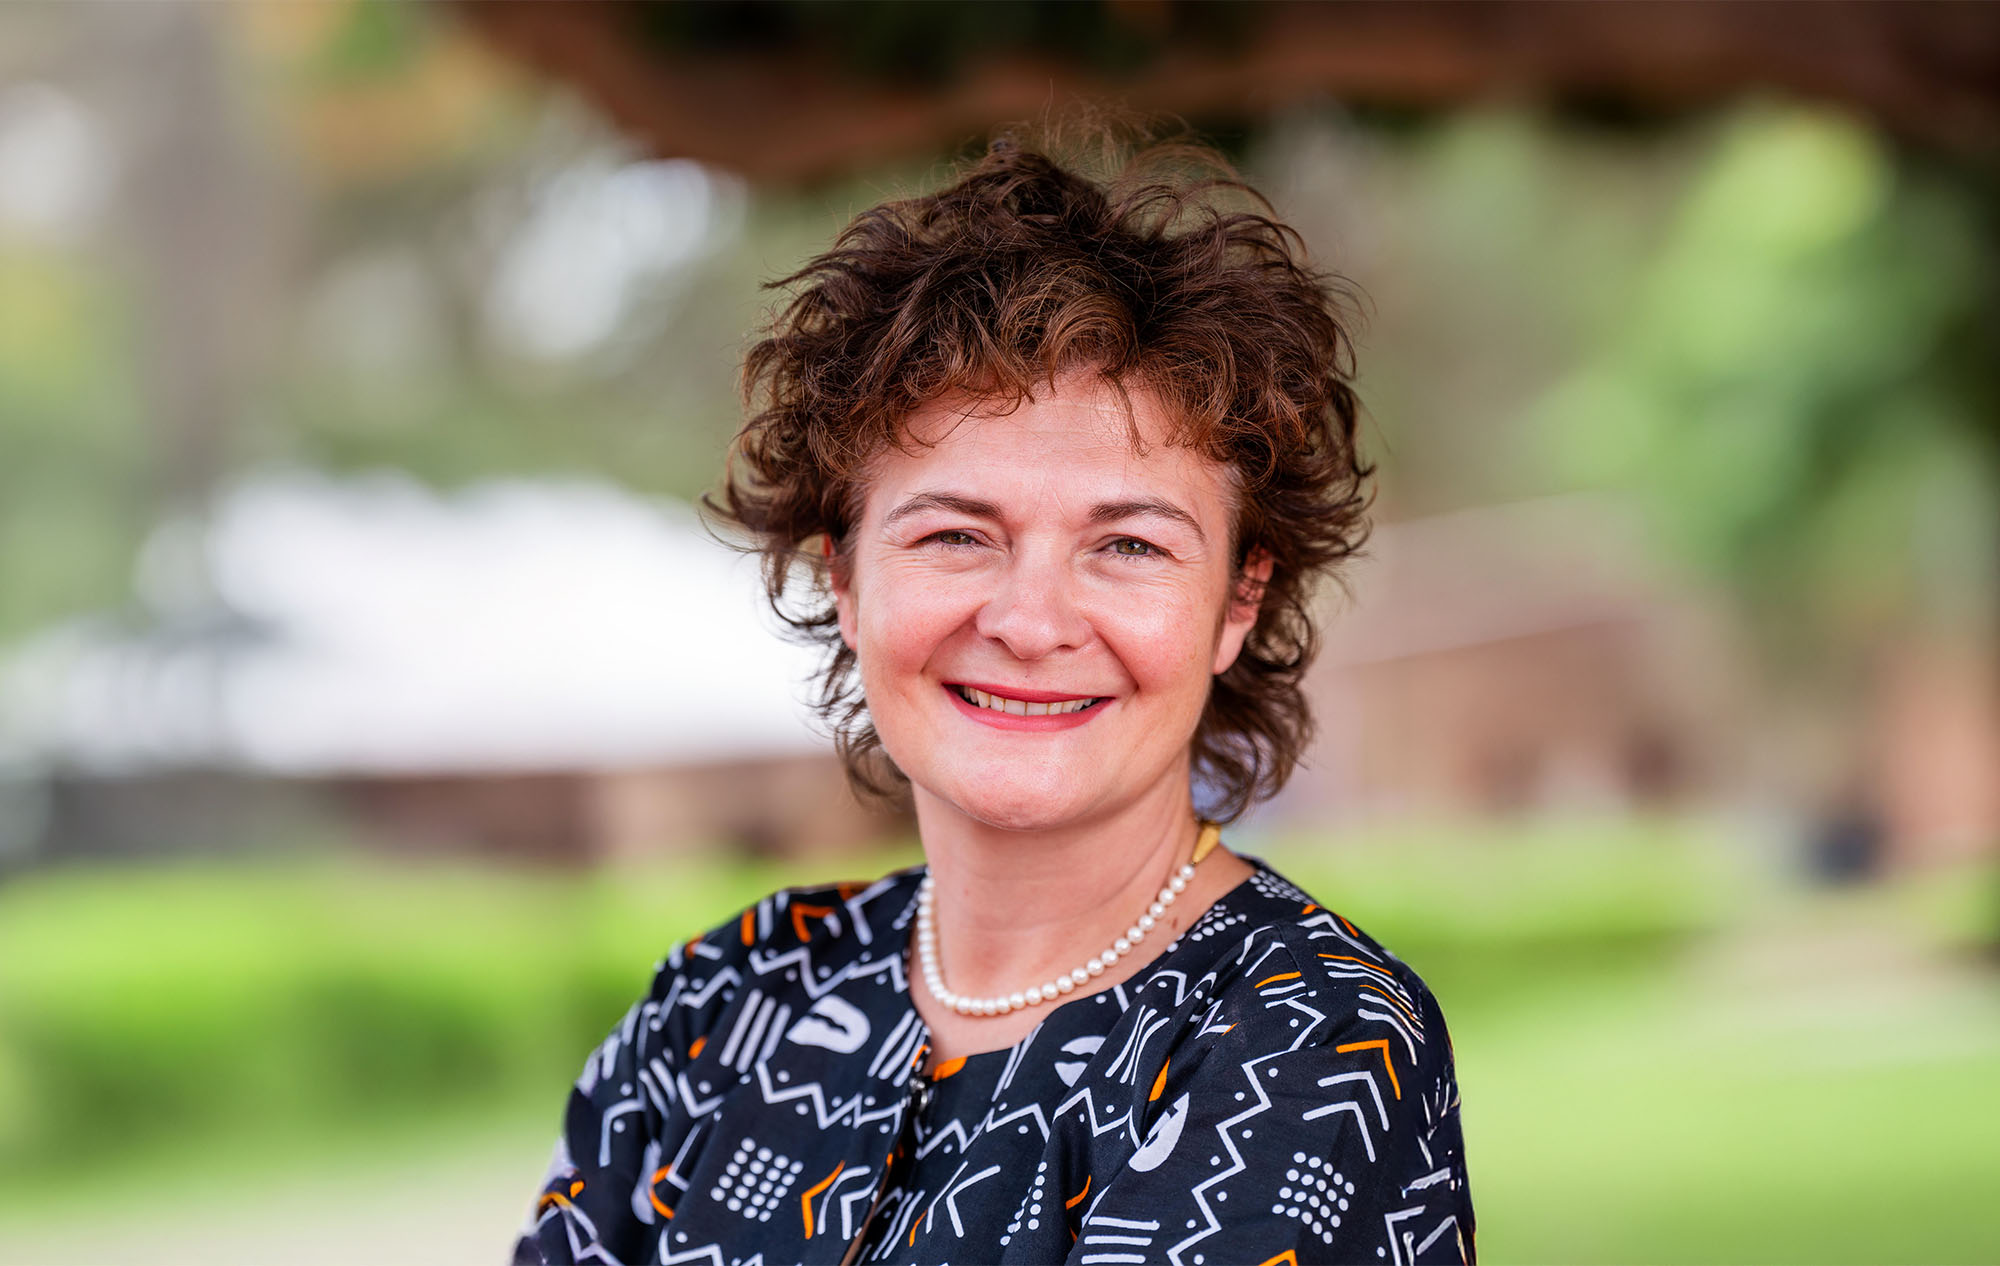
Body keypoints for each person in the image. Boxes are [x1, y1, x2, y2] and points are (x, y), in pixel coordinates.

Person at [515, 129, 1474, 1266]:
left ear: (1236, 602)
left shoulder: (1312, 1043)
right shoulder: (724, 1000)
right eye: (956, 535)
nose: (1029, 621)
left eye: (1127, 545)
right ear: (846, 581)